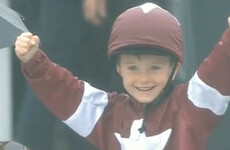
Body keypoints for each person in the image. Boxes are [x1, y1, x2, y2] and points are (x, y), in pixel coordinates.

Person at [14, 2, 230, 150]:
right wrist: (34, 61)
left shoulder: (190, 107)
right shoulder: (107, 113)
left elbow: (217, 71)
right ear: (118, 69)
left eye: (155, 68)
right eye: (133, 68)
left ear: (175, 69)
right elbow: (65, 92)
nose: (143, 78)